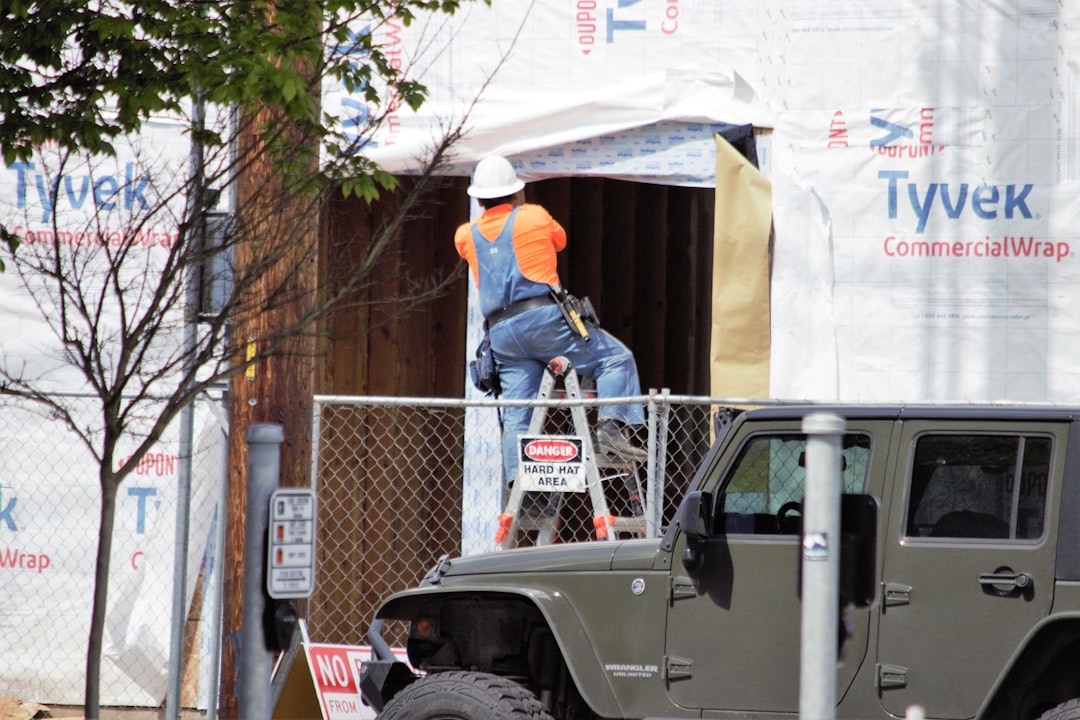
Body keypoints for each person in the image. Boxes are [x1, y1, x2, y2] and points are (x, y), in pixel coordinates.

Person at [455, 155, 648, 493]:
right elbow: (559, 240)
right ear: (516, 192)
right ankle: (611, 429)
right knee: (616, 358)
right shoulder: (533, 215)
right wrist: (522, 205)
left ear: (479, 198)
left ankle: (519, 486)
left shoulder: (465, 235)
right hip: (542, 320)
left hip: (501, 335)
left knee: (519, 408)